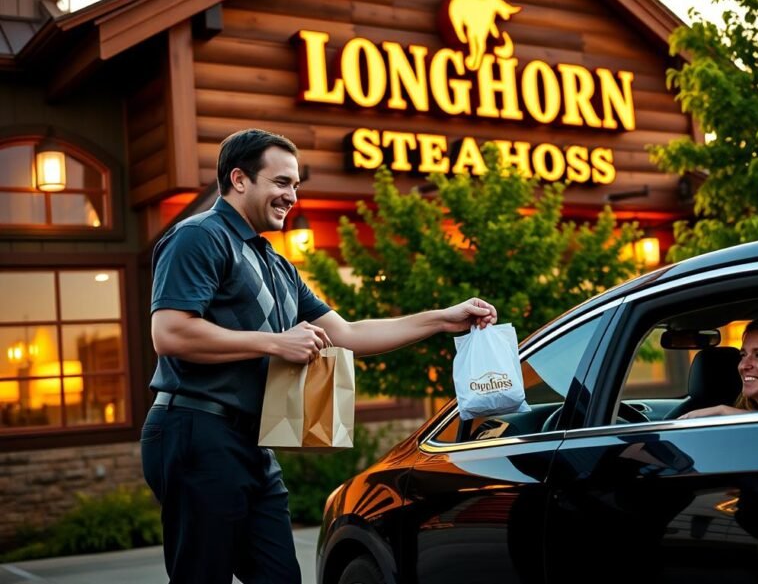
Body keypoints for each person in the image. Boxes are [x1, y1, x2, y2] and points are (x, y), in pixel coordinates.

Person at [140, 128, 498, 584]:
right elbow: (170, 333)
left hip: (251, 442)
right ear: (239, 179)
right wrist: (275, 342)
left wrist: (442, 319)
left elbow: (347, 334)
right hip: (196, 430)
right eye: (280, 182)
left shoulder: (277, 265)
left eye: (295, 185)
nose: (291, 196)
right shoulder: (198, 237)